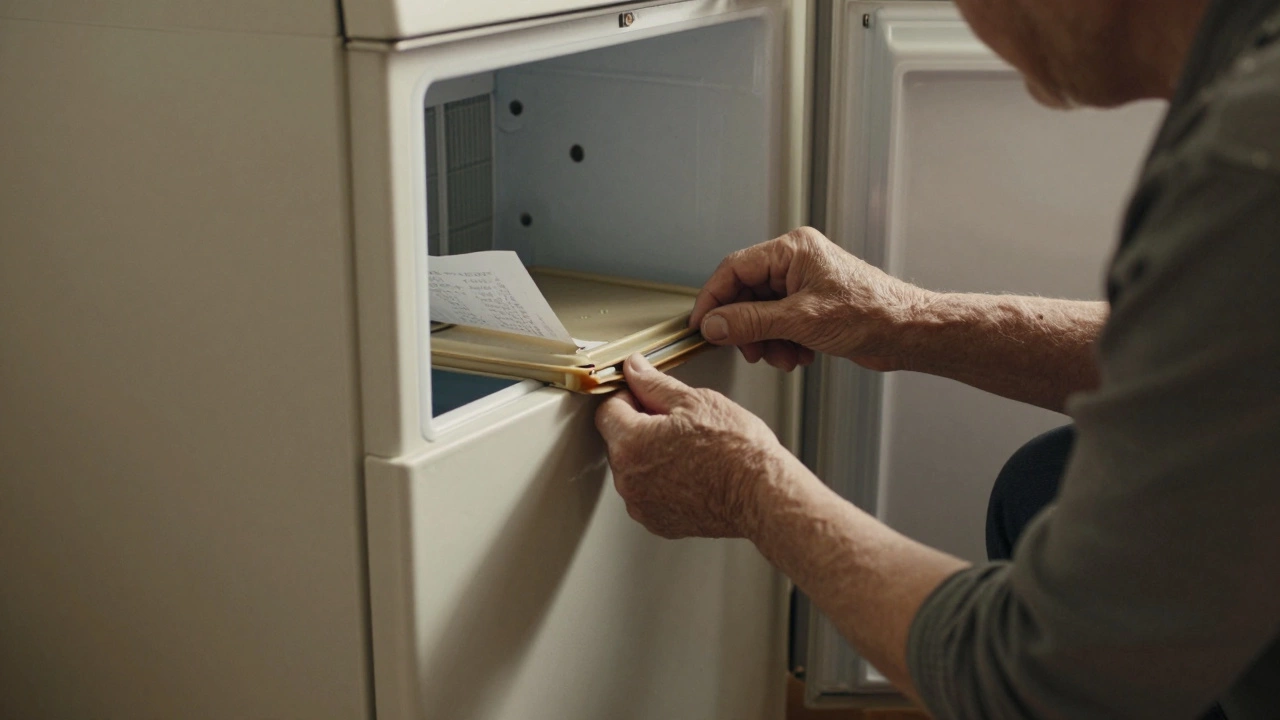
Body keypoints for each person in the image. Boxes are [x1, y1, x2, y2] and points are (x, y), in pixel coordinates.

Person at [594, 0, 1280, 716]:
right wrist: (904, 320)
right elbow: (1226, 373)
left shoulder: (1249, 162)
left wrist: (750, 489)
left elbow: (1039, 677)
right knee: (1040, 485)